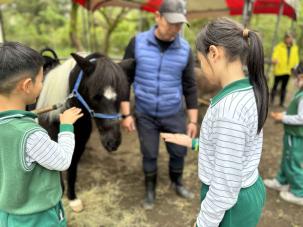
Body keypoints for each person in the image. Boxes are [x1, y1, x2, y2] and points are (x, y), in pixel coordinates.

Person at [189, 17, 268, 227]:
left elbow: (224, 188)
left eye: (200, 61)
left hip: (232, 207)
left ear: (214, 53)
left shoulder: (228, 111)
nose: (202, 68)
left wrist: (202, 224)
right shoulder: (249, 89)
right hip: (248, 187)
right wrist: (193, 143)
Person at [121, 0, 198, 209]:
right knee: (150, 153)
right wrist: (126, 115)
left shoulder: (185, 50)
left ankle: (177, 182)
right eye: (171, 23)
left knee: (179, 152)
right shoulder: (137, 43)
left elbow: (190, 86)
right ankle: (150, 190)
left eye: (179, 24)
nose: (175, 28)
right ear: (157, 17)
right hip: (145, 113)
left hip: (173, 112)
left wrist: (192, 120)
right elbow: (124, 80)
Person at [0, 42, 83, 226]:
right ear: (27, 85)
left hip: (6, 215)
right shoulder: (30, 134)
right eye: (41, 80)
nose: (43, 84)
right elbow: (62, 160)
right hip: (38, 218)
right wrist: (67, 127)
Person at [264, 62, 303, 206]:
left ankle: (299, 193)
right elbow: (296, 112)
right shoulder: (299, 93)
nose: (295, 80)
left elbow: (301, 118)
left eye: (297, 77)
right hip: (291, 134)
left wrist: (283, 118)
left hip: (297, 137)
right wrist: (283, 114)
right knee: (286, 158)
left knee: (293, 162)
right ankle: (282, 181)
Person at [271, 32, 299, 107]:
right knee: (275, 86)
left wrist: (295, 68)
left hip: (288, 71)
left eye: (290, 38)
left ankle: (281, 102)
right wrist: (274, 59)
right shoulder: (279, 46)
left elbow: (296, 59)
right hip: (279, 70)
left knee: (284, 87)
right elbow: (275, 55)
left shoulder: (295, 48)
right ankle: (271, 101)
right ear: (285, 38)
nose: (289, 39)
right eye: (288, 38)